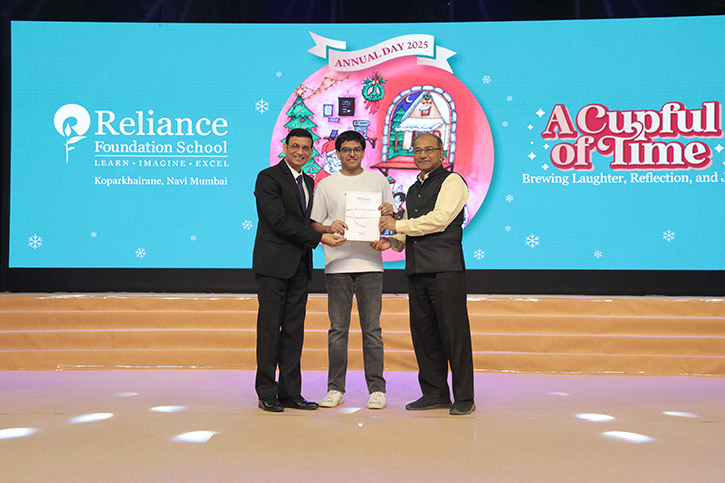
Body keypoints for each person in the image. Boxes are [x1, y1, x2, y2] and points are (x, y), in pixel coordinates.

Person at [371, 133, 475, 416]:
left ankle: (464, 397)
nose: (423, 155)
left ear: (442, 154)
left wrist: (397, 225)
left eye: (429, 150)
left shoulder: (452, 181)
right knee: (424, 335)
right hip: (417, 269)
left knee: (454, 334)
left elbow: (439, 220)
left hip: (445, 269)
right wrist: (392, 241)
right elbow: (409, 227)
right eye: (417, 150)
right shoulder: (414, 188)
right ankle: (434, 393)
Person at [253, 128, 346, 412]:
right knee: (270, 330)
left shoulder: (308, 180)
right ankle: (267, 392)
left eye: (306, 148)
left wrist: (327, 227)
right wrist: (320, 237)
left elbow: (307, 222)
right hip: (273, 265)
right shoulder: (268, 177)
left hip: (300, 266)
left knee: (294, 331)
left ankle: (290, 393)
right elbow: (278, 221)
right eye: (295, 146)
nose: (300, 152)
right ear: (285, 147)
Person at [310, 130, 395, 410]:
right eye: (345, 149)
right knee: (338, 330)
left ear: (363, 152)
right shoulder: (326, 185)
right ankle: (335, 389)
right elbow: (314, 223)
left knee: (372, 330)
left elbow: (390, 217)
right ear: (337, 153)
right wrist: (329, 227)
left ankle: (377, 390)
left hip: (370, 263)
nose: (351, 154)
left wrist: (389, 212)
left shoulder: (378, 180)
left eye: (357, 149)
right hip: (337, 264)